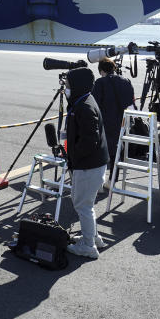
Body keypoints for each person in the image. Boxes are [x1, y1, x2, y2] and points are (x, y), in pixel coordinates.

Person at [64, 67, 109, 260]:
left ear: (77, 85)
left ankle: (89, 246)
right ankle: (93, 236)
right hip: (94, 163)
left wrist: (75, 157)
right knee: (85, 204)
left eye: (68, 85)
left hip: (88, 165)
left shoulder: (85, 107)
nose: (65, 88)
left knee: (82, 205)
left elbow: (89, 141)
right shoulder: (85, 100)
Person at [91, 57, 134, 172]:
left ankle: (103, 178)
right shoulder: (126, 81)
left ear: (101, 71)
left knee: (105, 151)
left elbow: (94, 104)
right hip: (124, 120)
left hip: (107, 122)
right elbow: (131, 102)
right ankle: (113, 179)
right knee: (118, 148)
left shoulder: (100, 82)